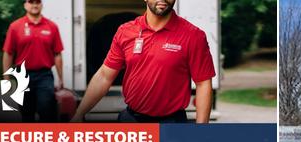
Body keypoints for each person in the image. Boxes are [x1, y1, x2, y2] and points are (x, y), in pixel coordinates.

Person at [72, 0, 215, 123]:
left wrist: (201, 131)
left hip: (171, 123)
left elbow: (203, 84)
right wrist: (79, 114)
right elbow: (104, 76)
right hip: (131, 120)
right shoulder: (125, 31)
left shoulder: (193, 35)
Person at [2, 0, 64, 122]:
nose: (34, 5)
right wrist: (6, 78)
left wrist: (61, 78)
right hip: (22, 76)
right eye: (31, 2)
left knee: (46, 110)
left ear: (41, 4)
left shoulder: (52, 26)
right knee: (26, 114)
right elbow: (8, 53)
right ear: (25, 5)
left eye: (37, 2)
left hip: (44, 76)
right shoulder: (15, 26)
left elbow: (57, 54)